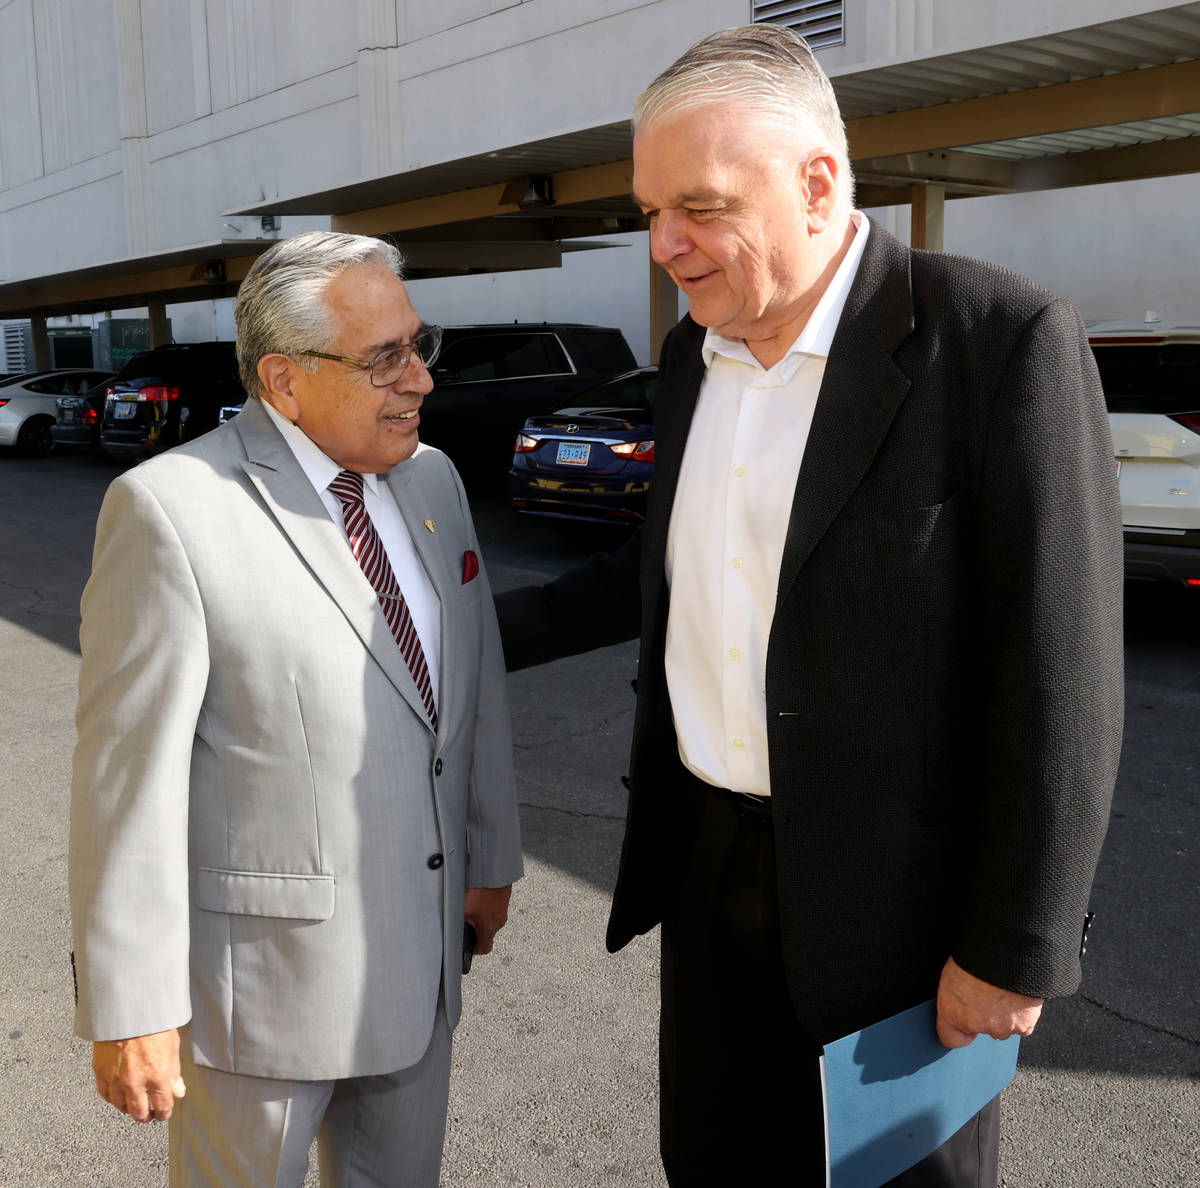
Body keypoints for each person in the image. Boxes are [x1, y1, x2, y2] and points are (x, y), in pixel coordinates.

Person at [495, 24, 1123, 1187]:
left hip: (908, 925)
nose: (666, 244)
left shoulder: (995, 341)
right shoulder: (693, 358)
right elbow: (659, 579)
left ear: (819, 183)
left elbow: (1062, 676)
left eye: (698, 205)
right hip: (710, 870)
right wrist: (441, 637)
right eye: (648, 211)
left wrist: (1014, 947)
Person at [69, 230, 523, 1187]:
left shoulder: (433, 480)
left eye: (418, 345)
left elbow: (469, 686)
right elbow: (125, 785)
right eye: (384, 359)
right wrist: (130, 1003)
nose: (421, 382)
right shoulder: (170, 510)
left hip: (422, 964)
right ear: (284, 380)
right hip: (259, 1001)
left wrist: (489, 857)